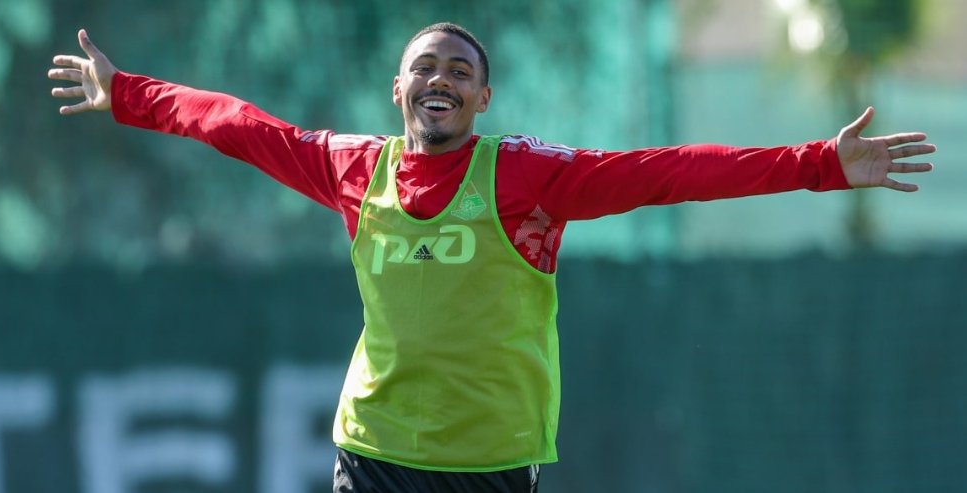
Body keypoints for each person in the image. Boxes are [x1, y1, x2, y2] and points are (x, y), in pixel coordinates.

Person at [48, 22, 935, 493]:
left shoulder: (524, 176)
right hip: (375, 448)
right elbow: (240, 126)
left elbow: (665, 173)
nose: (440, 77)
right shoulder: (355, 168)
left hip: (492, 461)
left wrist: (820, 163)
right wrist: (129, 95)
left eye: (460, 71)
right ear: (398, 89)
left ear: (482, 98)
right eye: (424, 66)